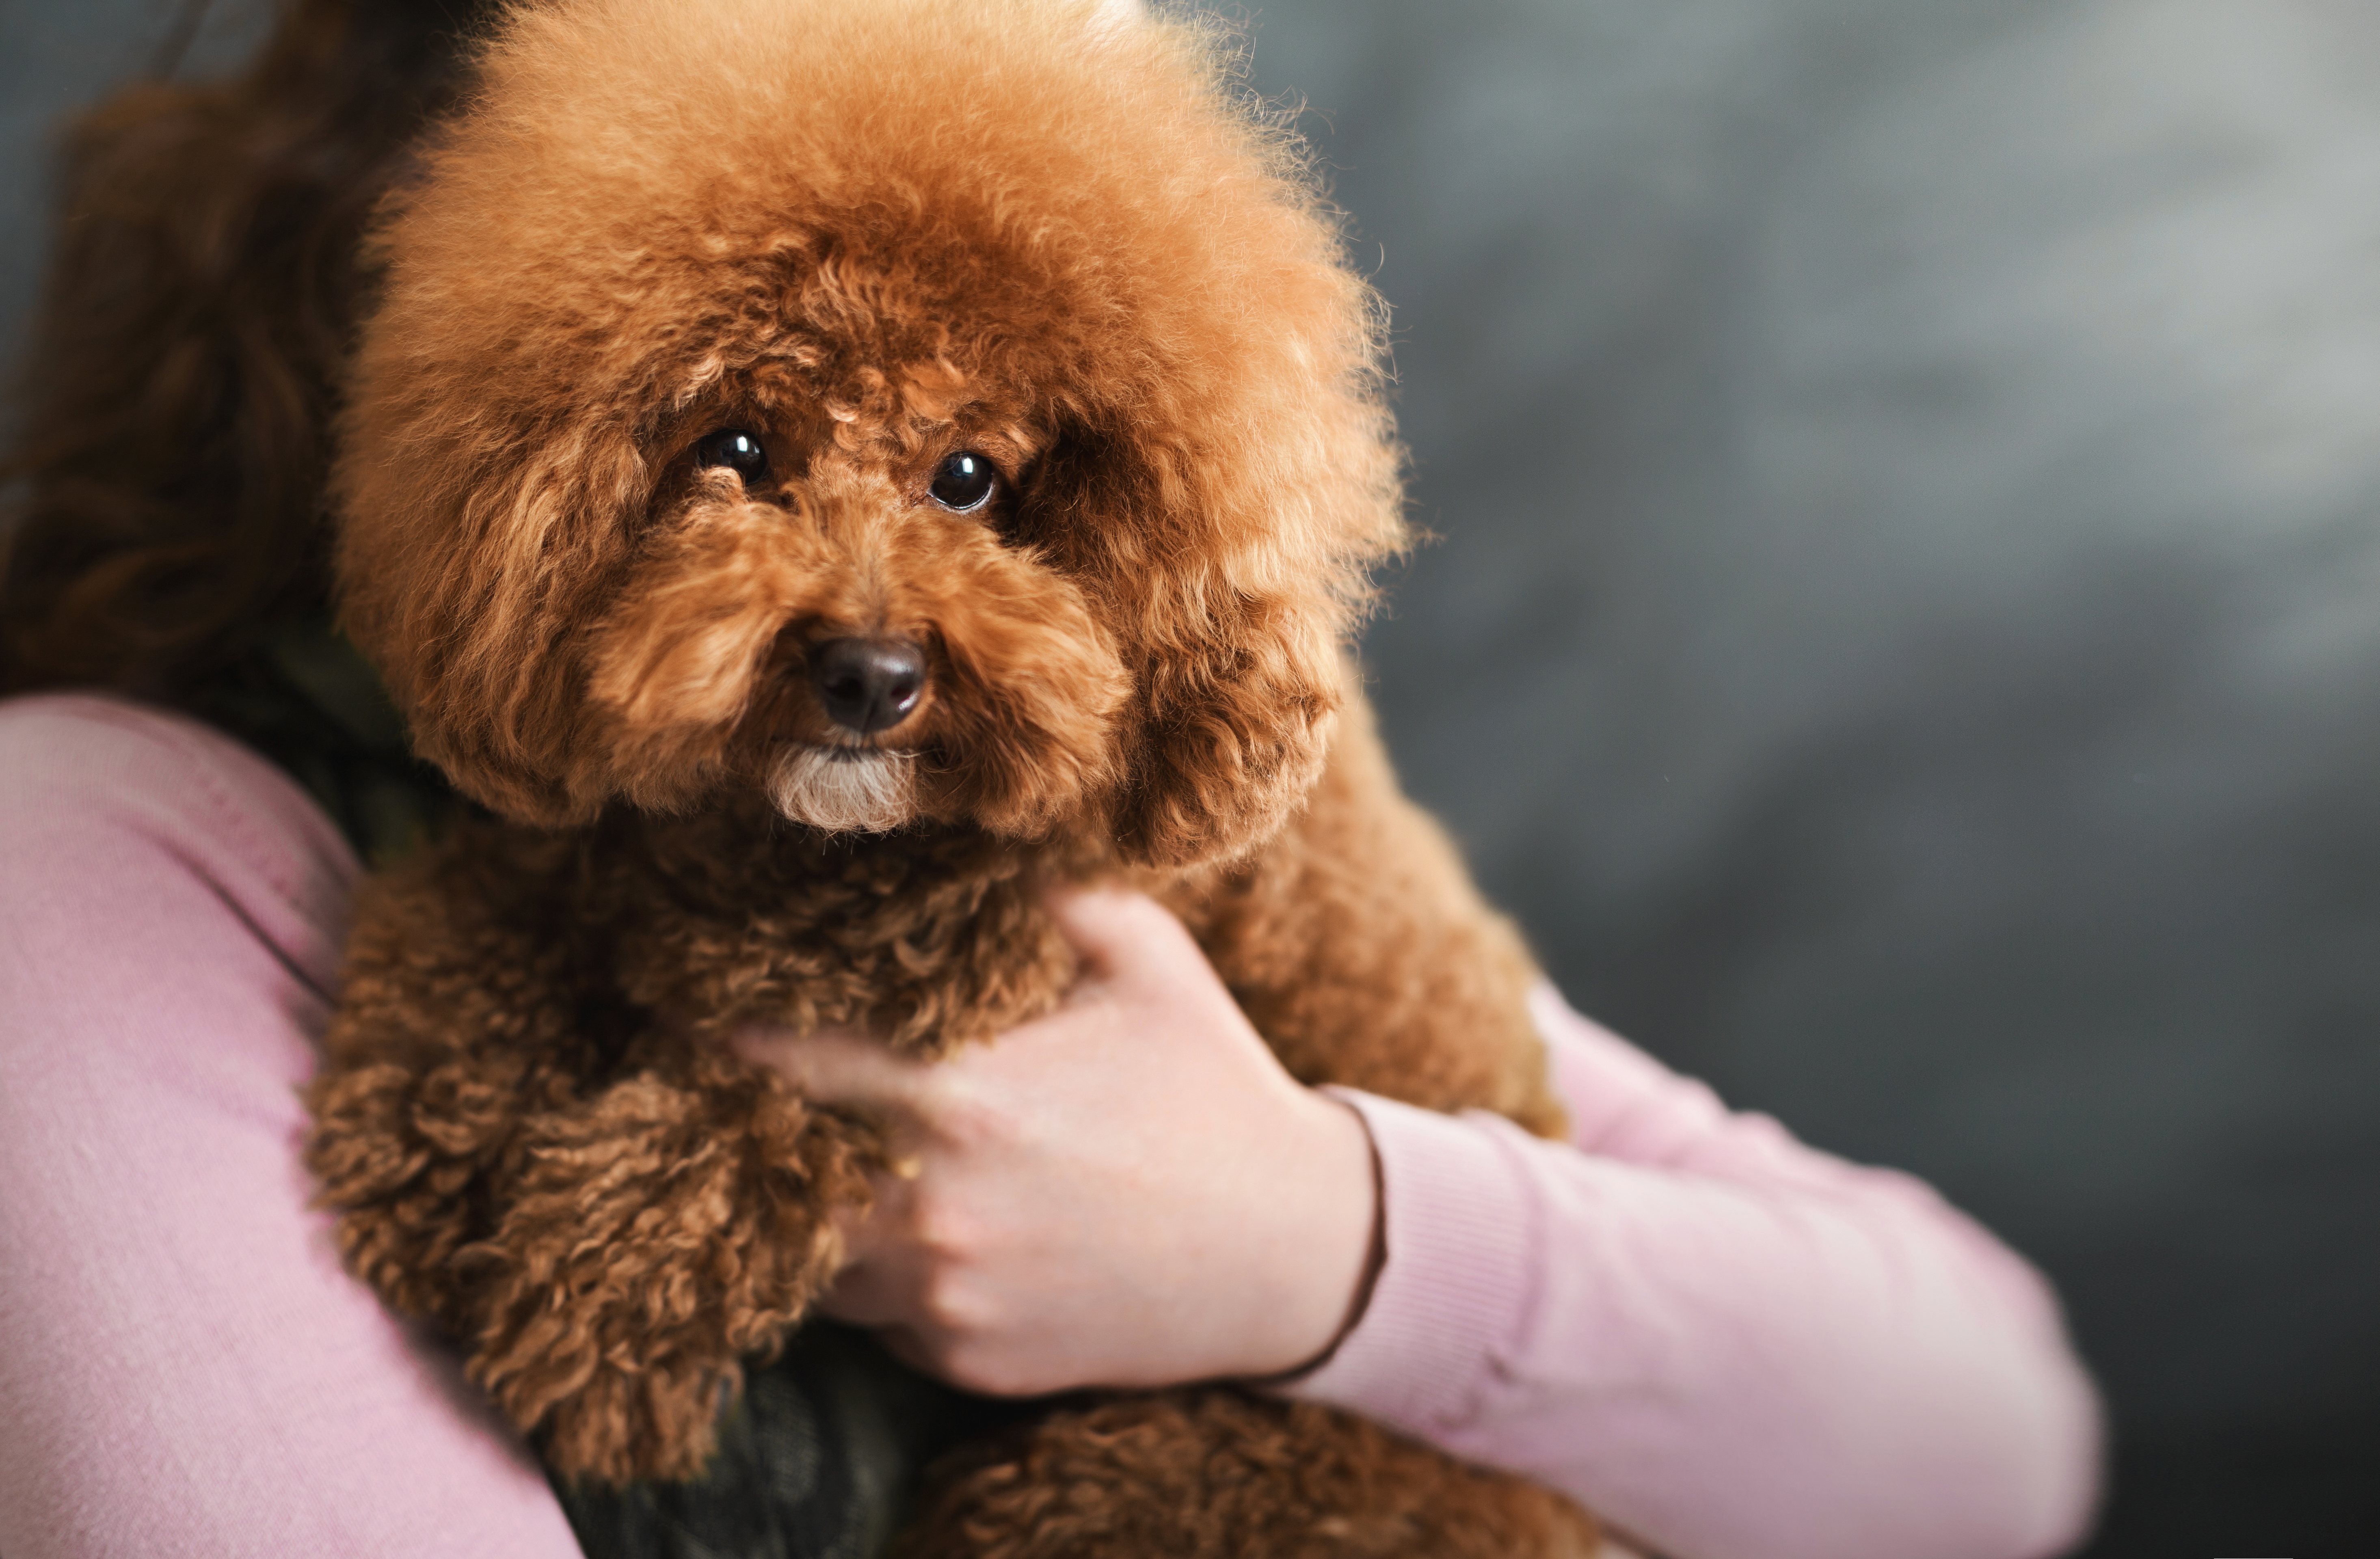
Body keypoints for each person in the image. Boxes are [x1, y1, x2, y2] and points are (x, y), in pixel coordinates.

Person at [0, 3, 2101, 1557]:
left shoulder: (1144, 805)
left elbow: (1977, 1442)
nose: (877, 619)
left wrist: (1326, 1249)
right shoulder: (87, 871)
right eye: (735, 448)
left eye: (986, 475)